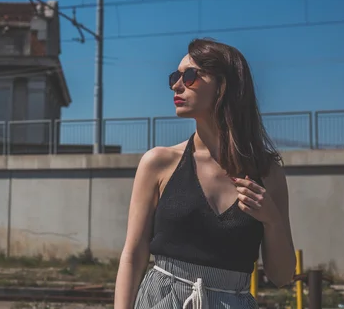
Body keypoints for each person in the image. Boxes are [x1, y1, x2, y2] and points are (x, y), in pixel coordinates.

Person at [114, 38, 296, 309]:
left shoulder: (267, 174)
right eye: (175, 76)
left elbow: (282, 276)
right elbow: (133, 254)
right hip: (163, 300)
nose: (177, 85)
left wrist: (272, 221)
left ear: (224, 85)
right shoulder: (159, 163)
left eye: (189, 76)